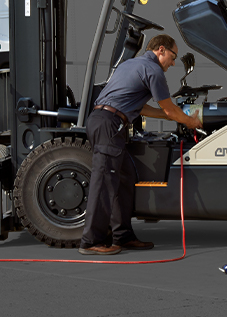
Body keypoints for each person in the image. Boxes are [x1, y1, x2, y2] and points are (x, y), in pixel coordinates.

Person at [79, 34, 203, 255]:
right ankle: (90, 242)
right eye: (173, 57)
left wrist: (169, 117)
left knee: (125, 179)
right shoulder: (153, 70)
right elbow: (169, 109)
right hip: (110, 125)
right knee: (105, 182)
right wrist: (192, 121)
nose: (173, 63)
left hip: (102, 121)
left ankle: (123, 236)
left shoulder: (132, 64)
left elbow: (142, 107)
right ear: (161, 50)